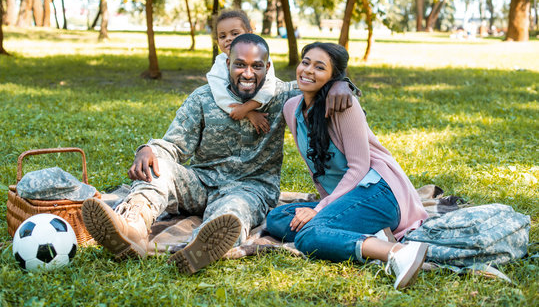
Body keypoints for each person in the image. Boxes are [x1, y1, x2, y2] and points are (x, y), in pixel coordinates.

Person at [81, 34, 356, 275]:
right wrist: (148, 150)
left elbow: (320, 82)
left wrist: (342, 83)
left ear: (267, 67)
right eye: (240, 64)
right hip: (201, 182)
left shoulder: (284, 95)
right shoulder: (203, 98)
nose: (248, 73)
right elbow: (173, 145)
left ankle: (200, 246)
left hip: (252, 187)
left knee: (233, 211)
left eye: (256, 66)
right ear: (227, 64)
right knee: (158, 167)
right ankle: (129, 228)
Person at [265, 42, 430, 290]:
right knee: (278, 218)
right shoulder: (292, 108)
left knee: (309, 235)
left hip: (379, 190)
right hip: (349, 197)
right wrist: (325, 207)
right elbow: (317, 171)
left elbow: (359, 168)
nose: (308, 70)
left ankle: (398, 252)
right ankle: (365, 235)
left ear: (334, 76)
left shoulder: (345, 105)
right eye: (306, 62)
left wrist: (320, 209)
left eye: (320, 67)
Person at [207, 10, 277, 134]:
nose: (228, 39)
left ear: (249, 34)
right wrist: (248, 113)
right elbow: (220, 94)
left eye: (234, 33)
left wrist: (247, 107)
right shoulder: (219, 63)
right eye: (222, 36)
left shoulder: (261, 57)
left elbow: (269, 87)